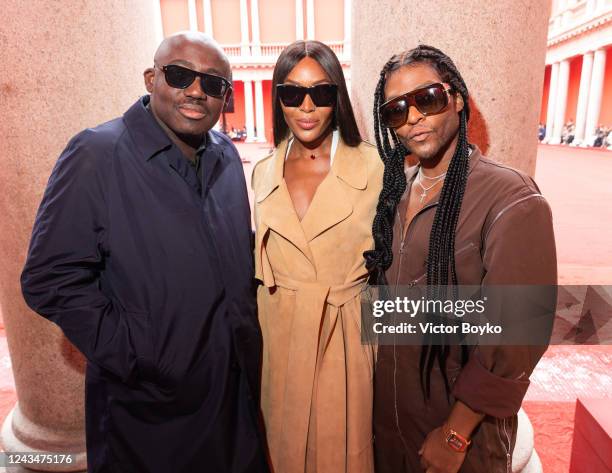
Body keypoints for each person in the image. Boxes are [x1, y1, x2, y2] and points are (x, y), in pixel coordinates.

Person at [21, 32, 268, 473]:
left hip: (231, 396)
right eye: (180, 75)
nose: (196, 91)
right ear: (152, 78)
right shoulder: (97, 153)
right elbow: (49, 279)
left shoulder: (227, 156)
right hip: (148, 412)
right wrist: (139, 354)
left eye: (213, 84)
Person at [364, 45, 557, 473]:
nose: (413, 117)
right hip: (391, 425)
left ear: (456, 98)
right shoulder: (393, 195)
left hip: (462, 436)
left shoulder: (511, 198)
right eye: (396, 110)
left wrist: (456, 434)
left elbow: (515, 337)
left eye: (426, 99)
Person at [251, 40, 383, 473]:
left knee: (342, 454)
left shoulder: (376, 168)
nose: (306, 107)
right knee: (281, 451)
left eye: (321, 93)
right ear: (279, 99)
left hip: (344, 334)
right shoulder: (261, 171)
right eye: (292, 93)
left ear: (337, 97)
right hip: (279, 334)